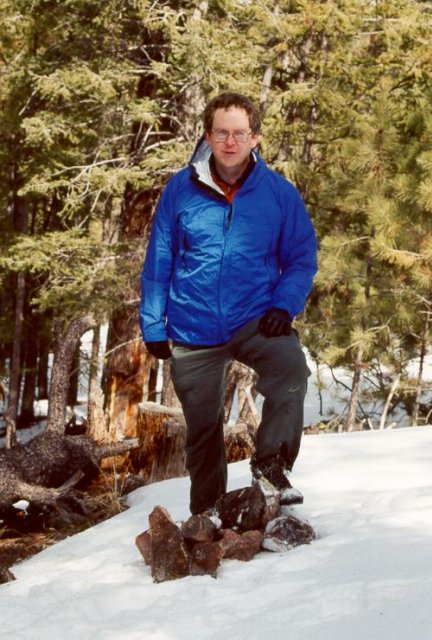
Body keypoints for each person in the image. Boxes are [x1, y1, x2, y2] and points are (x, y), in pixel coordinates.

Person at [139, 92, 318, 515]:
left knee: (291, 369)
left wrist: (283, 305)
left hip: (256, 318)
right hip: (193, 325)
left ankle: (271, 466)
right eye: (222, 132)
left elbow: (301, 257)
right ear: (208, 135)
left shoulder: (278, 193)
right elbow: (160, 259)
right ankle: (208, 513)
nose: (231, 141)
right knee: (202, 430)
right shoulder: (180, 190)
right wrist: (153, 324)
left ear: (255, 137)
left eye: (240, 133)